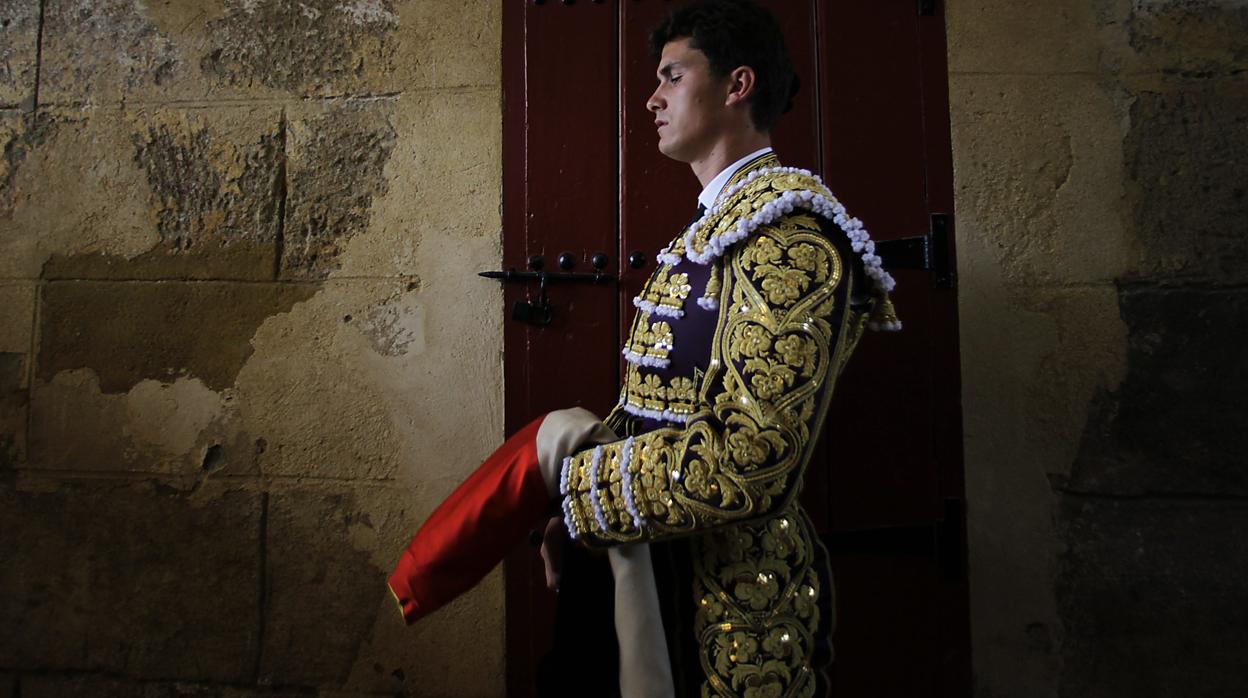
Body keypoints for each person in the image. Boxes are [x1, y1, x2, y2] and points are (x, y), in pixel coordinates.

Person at [389, 1, 899, 696]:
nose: (653, 99)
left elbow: (752, 460)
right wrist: (578, 521)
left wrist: (574, 485)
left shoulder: (793, 239)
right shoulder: (716, 230)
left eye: (672, 75)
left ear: (736, 85)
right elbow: (652, 412)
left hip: (719, 597)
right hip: (639, 562)